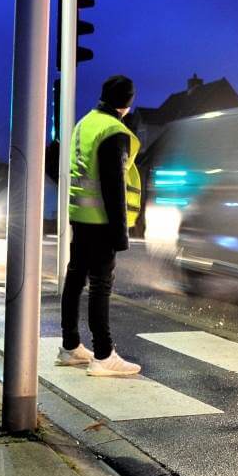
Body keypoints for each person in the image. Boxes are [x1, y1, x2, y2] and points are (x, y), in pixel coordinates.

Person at [57, 75, 143, 377]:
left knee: (76, 278)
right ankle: (104, 355)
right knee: (100, 286)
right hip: (102, 221)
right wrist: (121, 234)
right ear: (127, 103)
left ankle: (70, 346)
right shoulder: (114, 131)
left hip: (80, 216)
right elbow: (113, 186)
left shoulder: (86, 123)